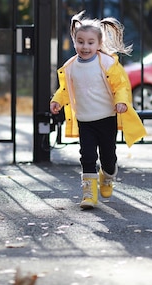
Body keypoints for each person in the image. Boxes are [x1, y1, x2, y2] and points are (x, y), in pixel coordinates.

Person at [50, 11, 146, 209]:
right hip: (85, 120)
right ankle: (89, 195)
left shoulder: (108, 63)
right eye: (80, 41)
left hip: (106, 118)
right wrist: (57, 101)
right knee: (87, 156)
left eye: (90, 42)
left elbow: (120, 86)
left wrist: (121, 102)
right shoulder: (70, 66)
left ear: (99, 44)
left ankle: (107, 175)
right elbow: (66, 88)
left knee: (108, 158)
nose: (85, 46)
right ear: (74, 41)